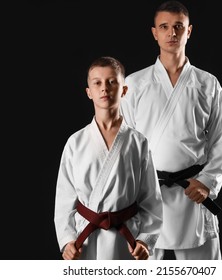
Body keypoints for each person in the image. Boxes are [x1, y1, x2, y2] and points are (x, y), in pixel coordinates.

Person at [120, 1, 222, 260]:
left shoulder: (207, 84)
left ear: (189, 31)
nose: (171, 33)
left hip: (192, 191)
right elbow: (125, 144)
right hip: (147, 193)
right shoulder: (135, 84)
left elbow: (220, 142)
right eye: (164, 27)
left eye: (178, 27)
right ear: (154, 33)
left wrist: (207, 182)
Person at [54, 56, 163, 260]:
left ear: (124, 90)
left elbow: (151, 201)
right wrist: (67, 240)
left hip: (126, 238)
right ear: (89, 92)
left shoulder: (138, 142)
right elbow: (64, 201)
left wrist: (144, 240)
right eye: (97, 83)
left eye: (112, 82)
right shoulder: (75, 142)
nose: (105, 88)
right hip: (85, 239)